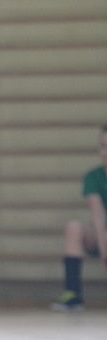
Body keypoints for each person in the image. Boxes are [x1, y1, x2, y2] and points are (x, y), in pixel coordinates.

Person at [52, 124, 107, 310]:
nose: (105, 152)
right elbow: (97, 215)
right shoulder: (93, 176)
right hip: (101, 234)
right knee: (74, 227)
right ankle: (73, 294)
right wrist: (103, 248)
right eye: (102, 146)